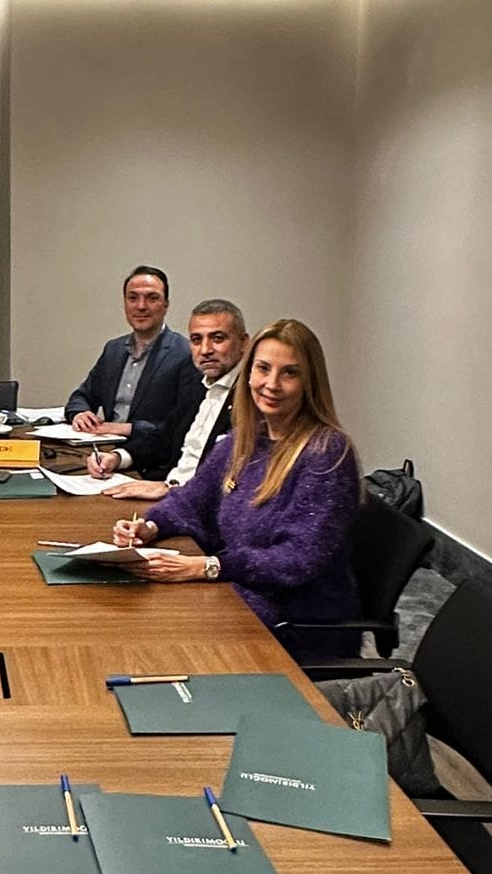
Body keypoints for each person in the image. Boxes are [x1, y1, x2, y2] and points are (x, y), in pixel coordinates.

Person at [112, 317, 361, 657]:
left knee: (158, 642)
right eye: (263, 369)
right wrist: (150, 526)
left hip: (294, 623)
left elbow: (296, 560)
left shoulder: (326, 453)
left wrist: (209, 566)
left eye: (289, 373)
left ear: (309, 383)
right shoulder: (243, 440)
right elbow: (191, 500)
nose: (271, 384)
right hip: (240, 594)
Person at [89, 298, 247, 493]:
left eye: (218, 338)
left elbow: (237, 478)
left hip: (195, 501)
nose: (205, 350)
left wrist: (170, 489)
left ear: (244, 343)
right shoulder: (197, 385)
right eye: (197, 340)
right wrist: (117, 457)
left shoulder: (252, 399)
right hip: (170, 490)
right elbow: (165, 438)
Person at [63, 266, 195, 473]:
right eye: (133, 298)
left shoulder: (185, 354)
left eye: (152, 298)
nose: (141, 306)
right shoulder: (113, 350)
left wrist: (128, 428)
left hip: (151, 462)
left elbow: (183, 426)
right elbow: (81, 396)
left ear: (166, 305)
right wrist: (80, 413)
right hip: (104, 452)